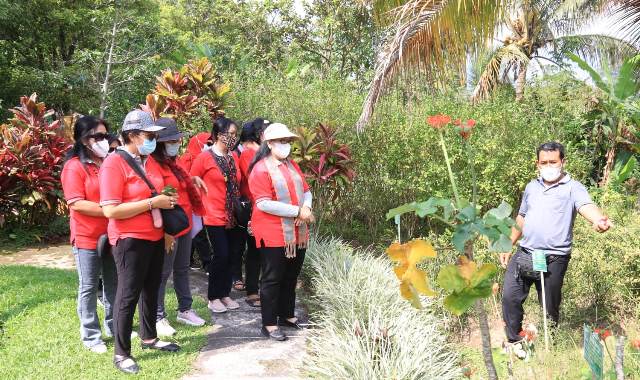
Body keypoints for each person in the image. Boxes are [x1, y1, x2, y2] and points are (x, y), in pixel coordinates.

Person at [500, 141, 612, 357]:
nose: (549, 166)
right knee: (509, 297)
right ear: (537, 164)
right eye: (544, 162)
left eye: (553, 161)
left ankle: (551, 345)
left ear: (563, 162)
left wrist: (598, 220)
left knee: (549, 307)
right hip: (524, 254)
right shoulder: (532, 187)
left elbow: (586, 206)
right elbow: (522, 217)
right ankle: (516, 342)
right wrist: (508, 243)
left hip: (554, 258)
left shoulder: (573, 187)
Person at [100, 110, 180, 374]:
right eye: (149, 136)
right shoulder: (114, 163)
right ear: (132, 135)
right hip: (129, 240)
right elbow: (110, 210)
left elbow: (154, 192)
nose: (153, 141)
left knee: (151, 288)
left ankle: (149, 337)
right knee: (128, 294)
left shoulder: (146, 161)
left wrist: (165, 202)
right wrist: (151, 203)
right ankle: (122, 353)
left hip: (155, 236)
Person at [248, 123, 314, 341]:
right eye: (281, 141)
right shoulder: (260, 169)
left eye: (288, 141)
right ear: (269, 143)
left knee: (290, 276)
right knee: (272, 279)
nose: (286, 145)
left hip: (297, 232)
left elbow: (306, 190)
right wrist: (298, 211)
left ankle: (286, 315)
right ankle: (269, 324)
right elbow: (264, 204)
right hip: (273, 233)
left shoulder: (291, 165)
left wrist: (306, 208)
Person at [61, 116, 117, 354]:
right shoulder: (74, 166)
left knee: (114, 283)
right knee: (89, 285)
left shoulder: (110, 163)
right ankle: (91, 335)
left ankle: (115, 326)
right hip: (87, 237)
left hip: (112, 234)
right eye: (98, 136)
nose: (104, 140)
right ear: (84, 140)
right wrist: (111, 210)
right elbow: (76, 203)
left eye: (106, 136)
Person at [151, 118, 207, 336]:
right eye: (170, 141)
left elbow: (179, 181)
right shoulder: (154, 166)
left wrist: (192, 179)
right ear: (160, 143)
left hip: (184, 225)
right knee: (163, 273)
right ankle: (158, 316)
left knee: (182, 269)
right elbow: (158, 199)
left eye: (176, 140)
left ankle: (185, 309)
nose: (175, 143)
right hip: (169, 229)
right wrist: (166, 232)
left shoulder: (176, 162)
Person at [190, 117, 243, 314]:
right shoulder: (204, 158)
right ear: (219, 134)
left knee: (232, 255)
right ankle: (213, 297)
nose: (233, 138)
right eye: (230, 134)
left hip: (233, 214)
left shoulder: (233, 157)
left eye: (235, 135)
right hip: (213, 214)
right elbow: (191, 181)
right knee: (221, 255)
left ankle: (225, 294)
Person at [238, 118, 270, 307]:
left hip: (267, 208)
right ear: (258, 134)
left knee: (263, 250)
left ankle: (261, 287)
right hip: (254, 207)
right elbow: (253, 180)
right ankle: (252, 290)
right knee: (255, 250)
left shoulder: (262, 153)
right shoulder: (249, 154)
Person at [179, 132, 214, 272]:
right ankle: (207, 263)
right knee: (199, 233)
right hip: (191, 201)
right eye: (208, 143)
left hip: (203, 200)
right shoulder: (186, 159)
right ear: (199, 143)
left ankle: (188, 260)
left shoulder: (207, 158)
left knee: (195, 231)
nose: (209, 146)